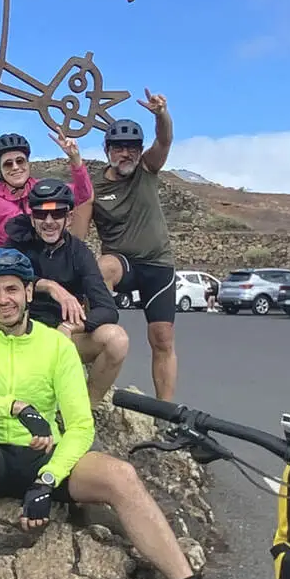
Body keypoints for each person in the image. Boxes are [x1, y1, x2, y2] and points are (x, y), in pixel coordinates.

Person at [0, 249, 231, 579]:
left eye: (12, 289)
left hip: (44, 458)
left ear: (30, 292)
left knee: (121, 476)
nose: (3, 299)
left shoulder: (56, 346)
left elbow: (80, 424)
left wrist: (48, 479)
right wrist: (16, 407)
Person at [1, 178, 128, 407]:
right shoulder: (17, 242)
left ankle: (84, 410)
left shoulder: (79, 253)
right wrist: (49, 286)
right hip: (22, 333)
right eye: (41, 215)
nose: (49, 222)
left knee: (117, 339)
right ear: (32, 218)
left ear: (68, 218)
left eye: (57, 214)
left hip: (63, 336)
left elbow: (107, 308)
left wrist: (71, 326)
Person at [91, 94, 180, 400]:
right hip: (123, 263)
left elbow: (165, 139)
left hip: (157, 263)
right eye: (118, 147)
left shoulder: (147, 169)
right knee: (104, 267)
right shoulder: (94, 187)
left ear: (140, 151)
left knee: (162, 338)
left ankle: (165, 411)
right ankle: (99, 333)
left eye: (131, 148)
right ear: (108, 151)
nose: (125, 153)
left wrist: (161, 114)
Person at [0, 130, 92, 253]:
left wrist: (75, 159)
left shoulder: (43, 188)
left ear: (28, 163)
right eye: (8, 164)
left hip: (48, 260)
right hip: (10, 265)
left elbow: (83, 195)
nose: (15, 167)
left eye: (20, 161)